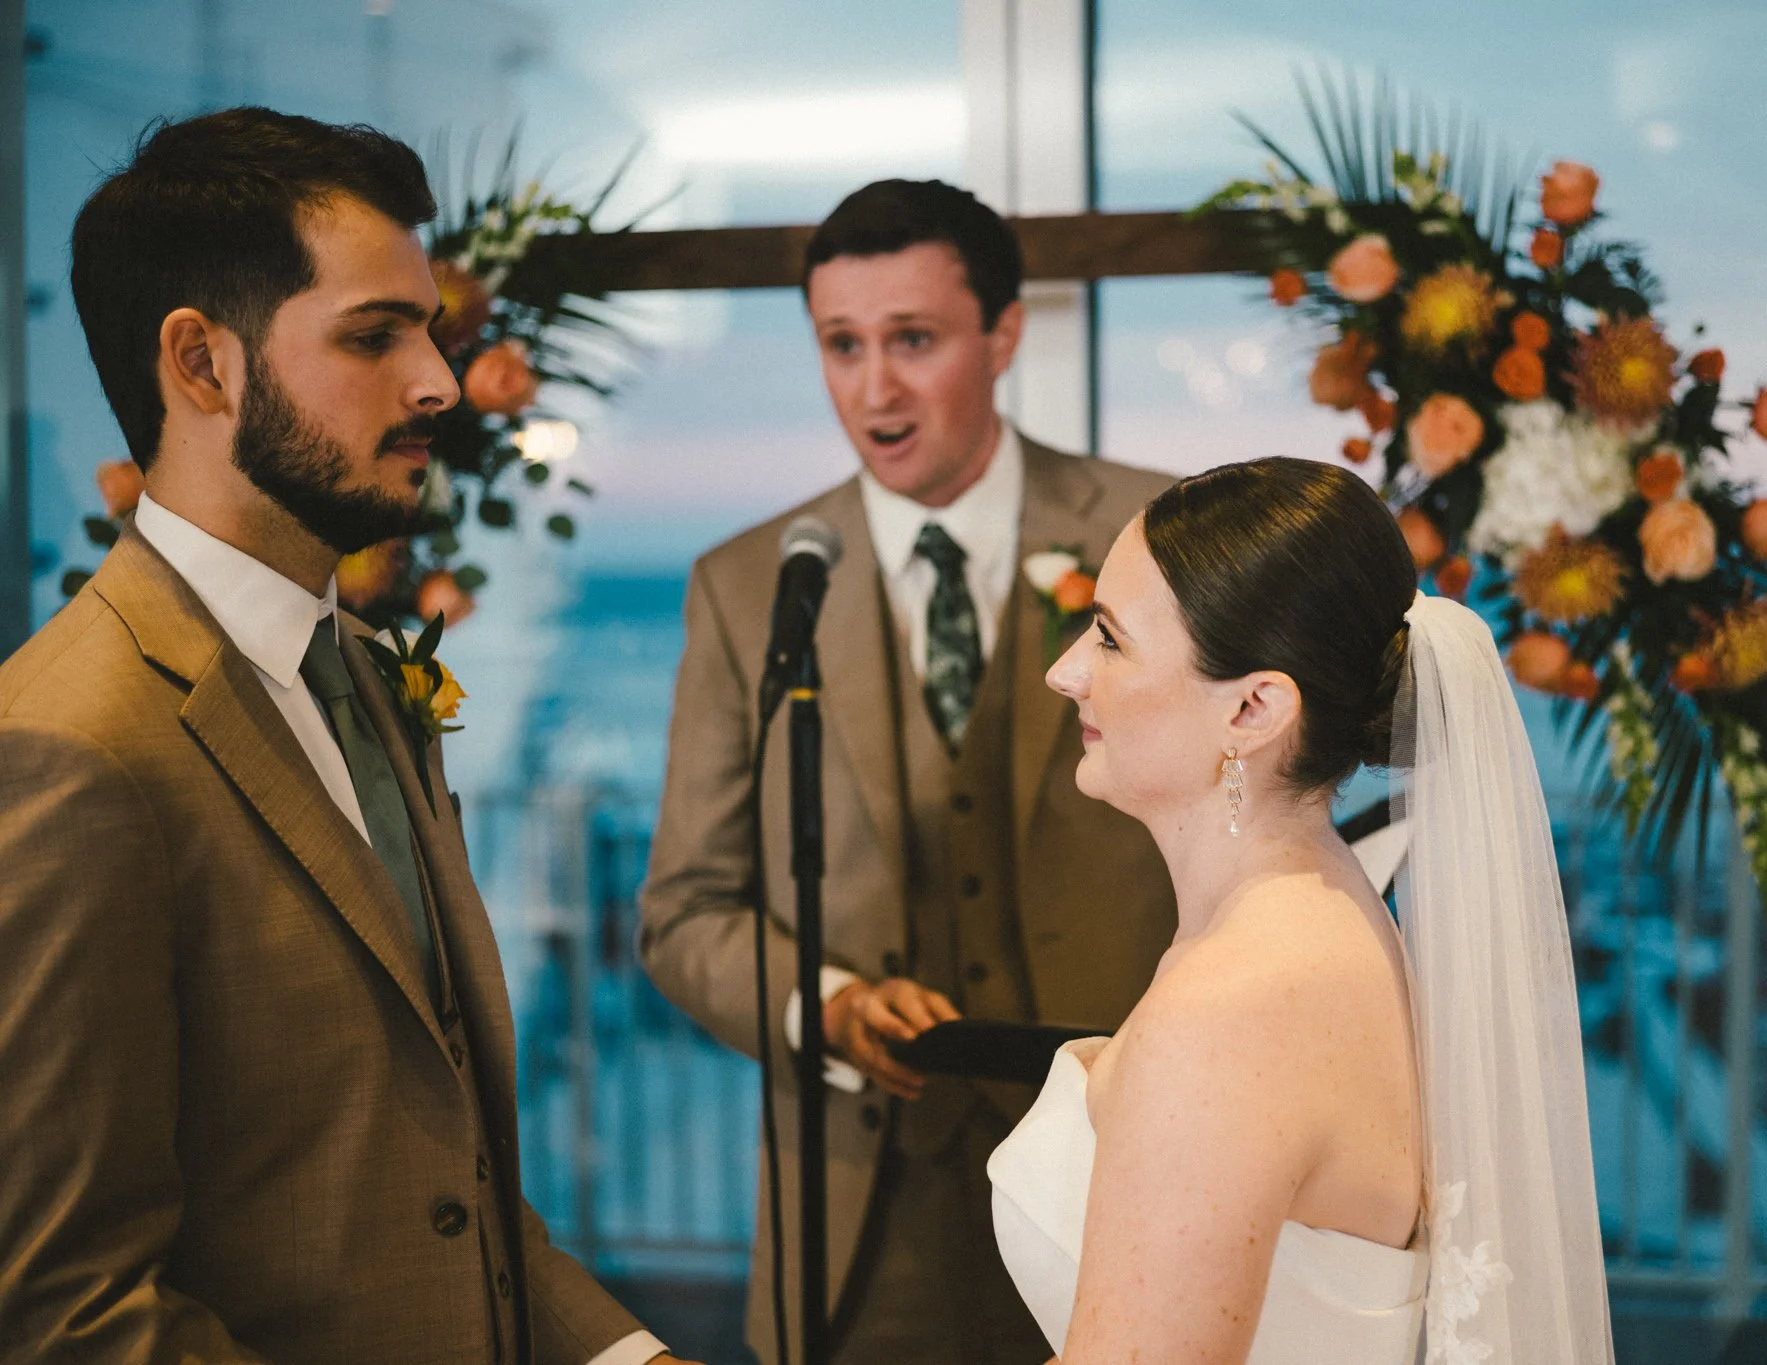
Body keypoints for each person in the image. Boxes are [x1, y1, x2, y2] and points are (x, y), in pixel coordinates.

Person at [0, 108, 691, 1365]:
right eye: (375, 335)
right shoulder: (68, 747)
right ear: (202, 365)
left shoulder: (369, 676)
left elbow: (448, 1198)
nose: (438, 382)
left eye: (428, 330)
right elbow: (68, 1313)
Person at [636, 179, 1177, 1365]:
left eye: (913, 340)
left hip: (1135, 1177)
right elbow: (683, 913)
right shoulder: (746, 586)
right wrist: (824, 1005)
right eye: (842, 345)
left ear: (1003, 334)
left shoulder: (1156, 538)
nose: (873, 389)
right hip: (860, 1223)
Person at [988, 458, 1613, 1363]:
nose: (1065, 671)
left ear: (1252, 708)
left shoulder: (1230, 1012)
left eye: (1110, 639)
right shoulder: (1328, 909)